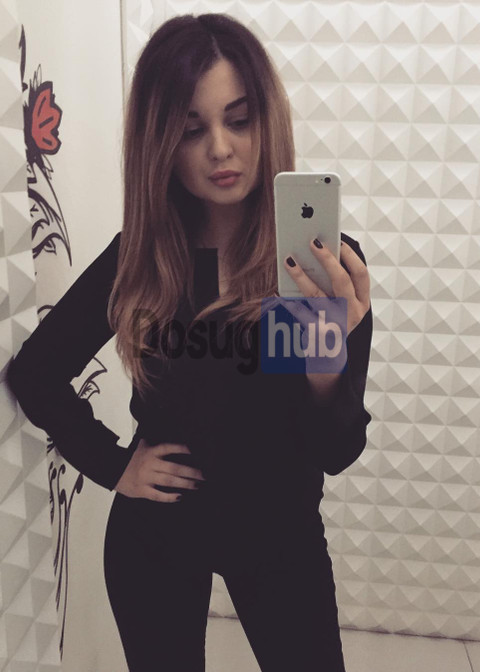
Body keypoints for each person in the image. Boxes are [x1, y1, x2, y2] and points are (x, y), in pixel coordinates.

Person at [6, 13, 372, 672]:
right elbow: (35, 374)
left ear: (267, 122)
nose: (221, 149)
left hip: (280, 533)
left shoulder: (314, 268)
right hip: (159, 531)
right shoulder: (142, 260)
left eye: (239, 119)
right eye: (191, 128)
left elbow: (336, 452)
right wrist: (114, 464)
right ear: (160, 143)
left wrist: (328, 355)